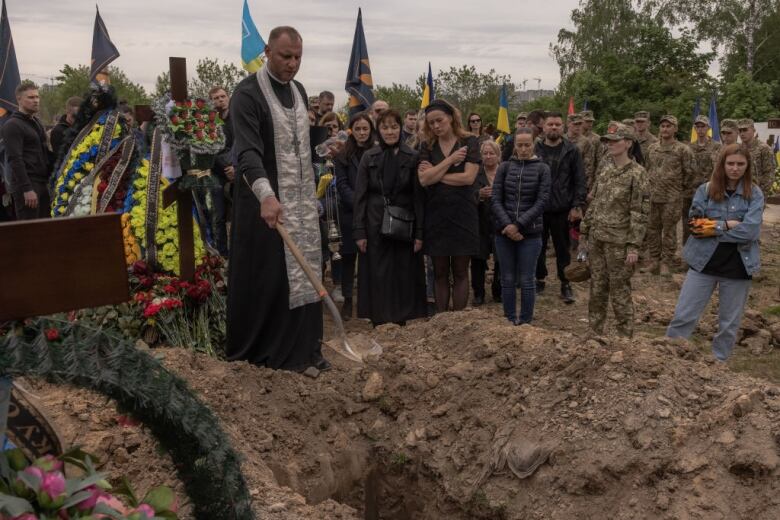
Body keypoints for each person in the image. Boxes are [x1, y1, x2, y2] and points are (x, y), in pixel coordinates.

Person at [227, 26, 327, 373]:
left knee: (305, 270)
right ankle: (274, 355)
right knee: (272, 277)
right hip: (264, 203)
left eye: (298, 57)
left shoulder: (298, 90)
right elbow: (248, 153)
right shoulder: (247, 94)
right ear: (267, 52)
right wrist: (267, 196)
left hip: (300, 204)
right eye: (286, 56)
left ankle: (306, 350)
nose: (293, 64)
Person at [667, 144, 764, 361]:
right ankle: (669, 358)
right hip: (703, 264)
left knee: (729, 324)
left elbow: (750, 232)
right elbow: (694, 227)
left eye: (740, 164)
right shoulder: (706, 190)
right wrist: (727, 225)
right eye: (730, 163)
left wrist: (712, 228)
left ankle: (718, 365)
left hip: (739, 266)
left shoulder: (754, 193)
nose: (735, 168)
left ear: (747, 166)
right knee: (683, 316)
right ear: (722, 164)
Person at [353, 109, 427, 325]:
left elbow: (418, 198)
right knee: (379, 272)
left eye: (394, 126)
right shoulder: (369, 157)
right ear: (379, 129)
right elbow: (360, 196)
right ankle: (381, 319)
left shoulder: (412, 157)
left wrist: (420, 233)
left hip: (405, 224)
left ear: (400, 128)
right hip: (375, 223)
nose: (390, 131)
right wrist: (359, 231)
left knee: (404, 271)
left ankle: (405, 318)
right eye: (385, 127)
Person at [580, 124, 650, 337]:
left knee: (620, 290)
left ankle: (625, 338)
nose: (609, 144)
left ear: (628, 143)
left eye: (614, 140)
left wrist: (633, 246)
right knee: (597, 288)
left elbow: (640, 213)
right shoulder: (606, 168)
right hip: (597, 239)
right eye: (608, 141)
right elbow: (596, 202)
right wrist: (584, 233)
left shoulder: (638, 174)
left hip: (619, 243)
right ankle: (594, 333)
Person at [418, 99, 480, 312]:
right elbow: (423, 181)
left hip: (463, 214)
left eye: (439, 120)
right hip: (436, 216)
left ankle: (458, 320)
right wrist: (450, 161)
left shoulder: (470, 142)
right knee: (440, 272)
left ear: (451, 118)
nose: (436, 126)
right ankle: (441, 320)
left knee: (462, 272)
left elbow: (468, 178)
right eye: (431, 123)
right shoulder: (427, 145)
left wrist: (436, 174)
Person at [491, 128, 551, 324]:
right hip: (503, 232)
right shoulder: (504, 167)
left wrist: (518, 225)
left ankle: (525, 321)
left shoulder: (543, 169)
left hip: (530, 234)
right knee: (506, 279)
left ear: (534, 144)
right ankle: (509, 319)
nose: (523, 149)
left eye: (527, 145)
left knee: (527, 280)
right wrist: (508, 225)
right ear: (514, 145)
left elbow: (542, 201)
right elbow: (496, 199)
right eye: (520, 145)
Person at [534, 111, 586, 303]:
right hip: (538, 208)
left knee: (562, 248)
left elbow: (579, 180)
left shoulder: (571, 150)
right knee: (537, 247)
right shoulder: (535, 148)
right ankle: (539, 278)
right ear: (544, 127)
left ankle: (565, 282)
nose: (554, 127)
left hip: (562, 208)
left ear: (562, 127)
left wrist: (577, 205)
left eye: (557, 124)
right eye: (550, 124)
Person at [643, 115, 695, 276]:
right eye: (663, 126)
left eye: (669, 126)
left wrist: (679, 189)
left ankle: (667, 262)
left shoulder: (683, 149)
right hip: (653, 197)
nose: (665, 129)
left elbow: (690, 172)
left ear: (675, 129)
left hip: (672, 198)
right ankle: (654, 260)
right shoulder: (652, 148)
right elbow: (647, 169)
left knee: (669, 231)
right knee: (652, 230)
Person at [334, 112, 374, 319]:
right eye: (357, 129)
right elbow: (341, 184)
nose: (361, 132)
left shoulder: (377, 152)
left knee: (369, 258)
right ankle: (348, 299)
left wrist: (369, 206)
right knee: (348, 257)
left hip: (372, 214)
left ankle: (368, 302)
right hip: (350, 214)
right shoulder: (343, 155)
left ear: (371, 130)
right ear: (351, 131)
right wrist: (359, 204)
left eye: (365, 128)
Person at [1, 81, 52, 221]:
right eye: (30, 97)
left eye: (37, 97)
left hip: (42, 183)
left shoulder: (36, 122)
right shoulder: (12, 125)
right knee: (29, 234)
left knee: (45, 229)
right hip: (27, 185)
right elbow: (15, 159)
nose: (36, 101)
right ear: (19, 99)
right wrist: (27, 189)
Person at [471, 139, 502, 305]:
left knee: (501, 259)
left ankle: (498, 291)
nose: (489, 156)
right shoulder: (475, 173)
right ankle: (478, 293)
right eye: (485, 153)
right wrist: (479, 195)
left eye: (492, 153)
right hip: (479, 222)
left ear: (498, 156)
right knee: (478, 259)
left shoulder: (505, 172)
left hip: (501, 223)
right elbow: (467, 196)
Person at [206, 85, 234, 257]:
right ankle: (223, 254)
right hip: (217, 173)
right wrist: (226, 168)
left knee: (240, 216)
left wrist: (235, 166)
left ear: (228, 97)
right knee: (219, 217)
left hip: (237, 170)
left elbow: (241, 143)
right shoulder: (209, 123)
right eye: (216, 98)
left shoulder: (237, 117)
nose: (220, 100)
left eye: (222, 96)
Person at [684, 115, 721, 243]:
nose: (700, 129)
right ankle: (687, 251)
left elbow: (719, 169)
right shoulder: (688, 147)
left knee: (707, 222)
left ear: (708, 128)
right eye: (697, 126)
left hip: (708, 191)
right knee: (688, 223)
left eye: (703, 126)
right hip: (690, 192)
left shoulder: (716, 147)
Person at [737, 118, 776, 195]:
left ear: (753, 130)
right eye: (740, 131)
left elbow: (769, 174)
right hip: (739, 193)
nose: (742, 133)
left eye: (745, 130)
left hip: (756, 193)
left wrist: (759, 193)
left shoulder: (764, 149)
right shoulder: (738, 148)